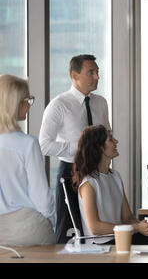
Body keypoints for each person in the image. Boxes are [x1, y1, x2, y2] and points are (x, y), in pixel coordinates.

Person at [72, 124, 148, 246]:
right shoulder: (89, 183)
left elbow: (127, 217)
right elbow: (95, 228)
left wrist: (145, 226)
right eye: (111, 139)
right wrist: (136, 228)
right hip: (105, 243)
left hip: (123, 236)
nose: (116, 141)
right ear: (99, 148)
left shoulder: (115, 176)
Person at [39, 54, 111, 243]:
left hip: (98, 173)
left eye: (97, 72)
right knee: (69, 231)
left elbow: (106, 137)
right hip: (71, 173)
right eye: (91, 72)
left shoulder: (101, 103)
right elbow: (44, 144)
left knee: (98, 230)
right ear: (74, 75)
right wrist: (80, 149)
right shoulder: (59, 105)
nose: (97, 77)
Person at [0, 74, 55, 246]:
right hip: (28, 229)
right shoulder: (27, 144)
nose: (29, 105)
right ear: (15, 103)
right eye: (28, 99)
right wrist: (50, 222)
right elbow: (43, 200)